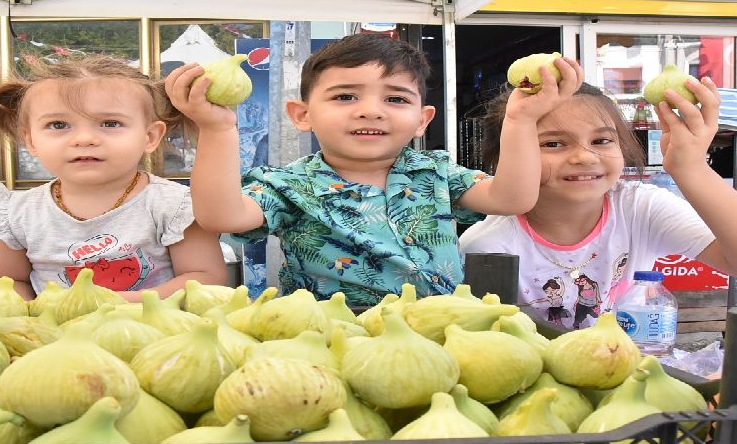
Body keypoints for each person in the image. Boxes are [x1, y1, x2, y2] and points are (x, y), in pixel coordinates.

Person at [166, 33, 583, 306]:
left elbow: (513, 198)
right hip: (331, 342)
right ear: (301, 114)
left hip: (439, 334)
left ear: (423, 120)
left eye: (396, 99)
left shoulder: (437, 172)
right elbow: (221, 215)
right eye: (345, 96)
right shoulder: (288, 184)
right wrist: (216, 128)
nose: (371, 110)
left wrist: (521, 121)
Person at [460, 79, 737, 329]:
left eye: (601, 140)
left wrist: (691, 168)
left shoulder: (640, 207)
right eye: (553, 144)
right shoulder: (486, 247)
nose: (585, 157)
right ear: (505, 160)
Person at [0, 55, 227, 302]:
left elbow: (206, 279)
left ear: (150, 137)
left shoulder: (175, 205)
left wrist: (118, 304)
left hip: (153, 340)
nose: (84, 139)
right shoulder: (16, 212)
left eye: (110, 123)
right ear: (31, 140)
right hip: (58, 342)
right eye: (58, 125)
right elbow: (4, 281)